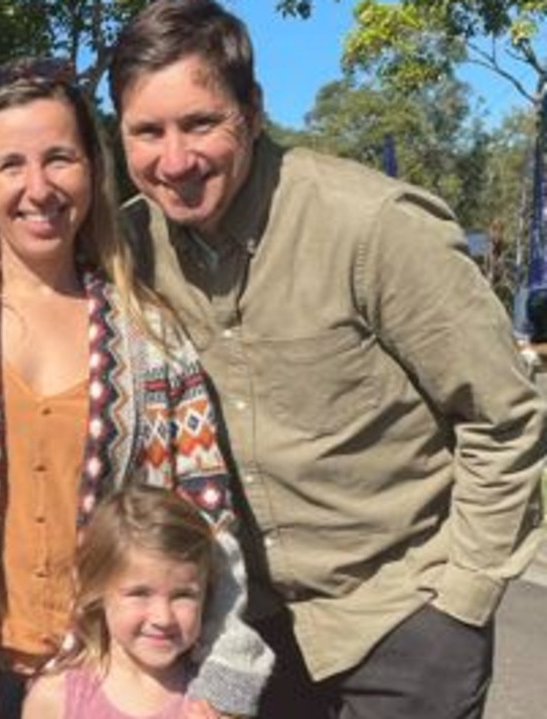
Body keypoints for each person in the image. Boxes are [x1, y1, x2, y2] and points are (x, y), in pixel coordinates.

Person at [109, 2, 547, 717]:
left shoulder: (372, 228)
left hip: (403, 623)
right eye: (147, 132)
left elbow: (505, 414)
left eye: (200, 123)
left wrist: (462, 599)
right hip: (247, 635)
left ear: (251, 111)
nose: (175, 159)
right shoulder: (129, 248)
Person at [0, 57, 271, 719]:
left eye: (60, 158)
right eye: (10, 164)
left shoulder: (152, 339)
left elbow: (208, 524)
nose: (38, 188)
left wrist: (223, 679)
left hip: (103, 687)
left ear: (92, 167)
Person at [22, 487, 217, 719]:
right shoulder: (57, 698)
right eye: (139, 593)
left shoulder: (214, 694)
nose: (163, 617)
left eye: (182, 595)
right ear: (97, 589)